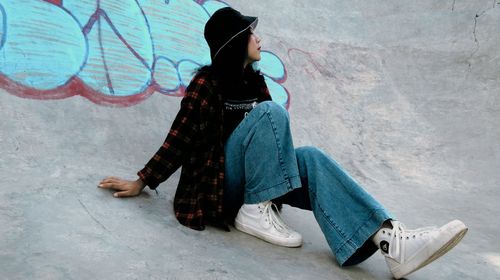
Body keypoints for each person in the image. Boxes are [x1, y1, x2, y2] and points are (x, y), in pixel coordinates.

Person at [98, 7, 467, 279]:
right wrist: (142, 180)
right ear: (234, 42)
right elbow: (179, 137)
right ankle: (254, 210)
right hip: (219, 190)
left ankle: (390, 240)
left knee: (310, 158)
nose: (259, 39)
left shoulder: (253, 82)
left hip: (251, 182)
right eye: (252, 33)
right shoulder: (206, 86)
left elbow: (270, 148)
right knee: (271, 114)